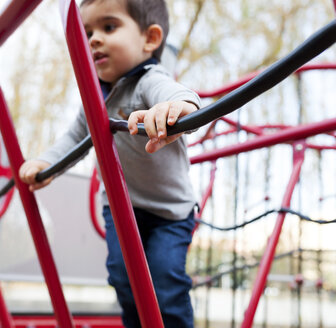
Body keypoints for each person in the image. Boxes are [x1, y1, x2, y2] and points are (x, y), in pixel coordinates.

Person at [19, 0, 200, 327]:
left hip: (171, 212)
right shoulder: (95, 97)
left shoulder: (149, 79)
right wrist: (46, 162)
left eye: (109, 27)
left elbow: (175, 93)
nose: (93, 39)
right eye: (87, 32)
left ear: (149, 38)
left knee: (165, 280)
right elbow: (73, 138)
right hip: (122, 208)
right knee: (122, 276)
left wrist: (177, 107)